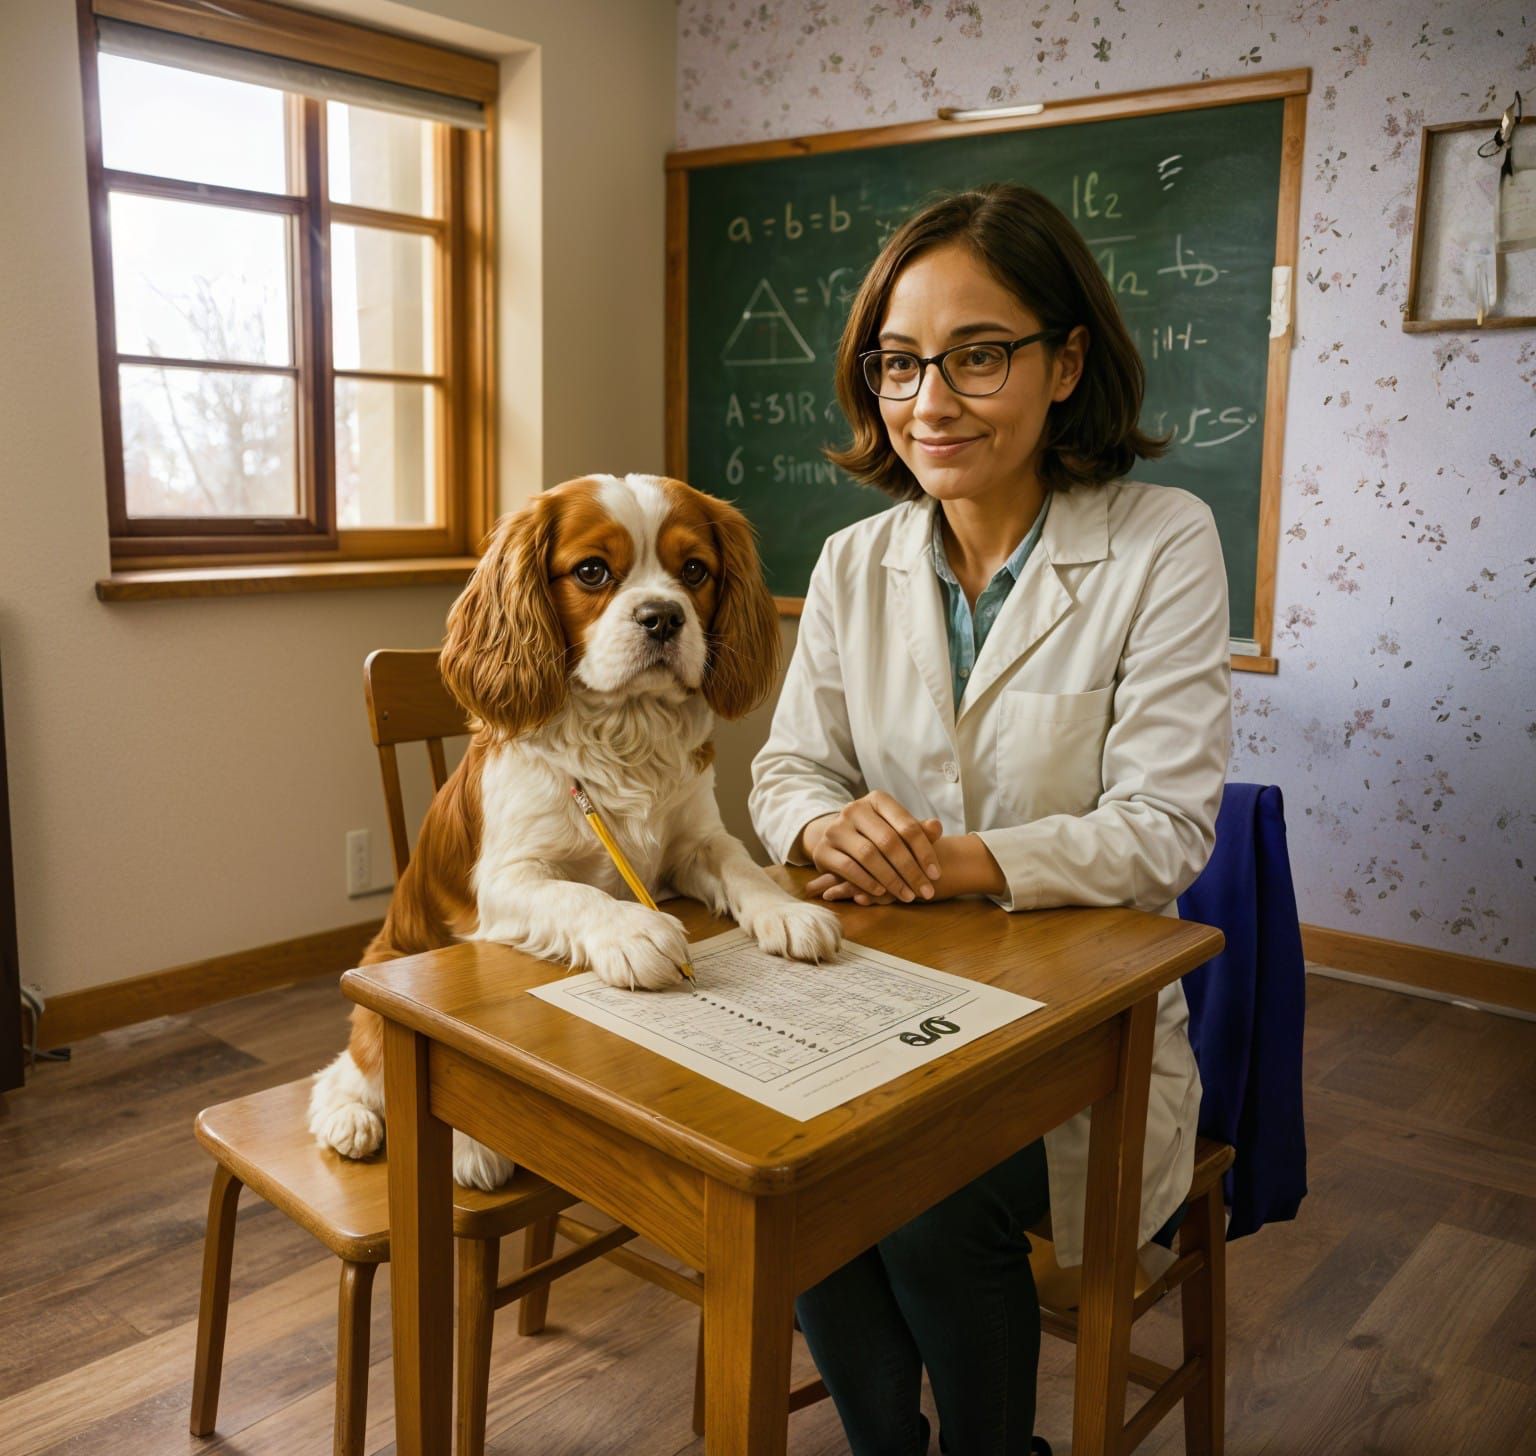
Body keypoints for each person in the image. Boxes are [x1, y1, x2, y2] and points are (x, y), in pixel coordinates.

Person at [748, 183, 1232, 1456]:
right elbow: (787, 771)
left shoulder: (1161, 540)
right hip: (886, 998)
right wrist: (818, 833)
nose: (930, 400)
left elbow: (1164, 827)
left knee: (920, 1198)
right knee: (791, 1174)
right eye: (900, 363)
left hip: (1084, 1043)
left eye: (978, 354)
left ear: (1068, 361)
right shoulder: (858, 560)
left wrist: (945, 861)